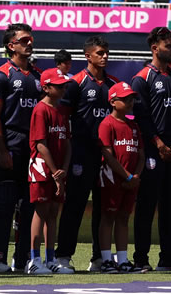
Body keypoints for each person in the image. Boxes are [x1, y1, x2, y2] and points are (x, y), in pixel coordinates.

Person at [56, 36, 119, 272]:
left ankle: (100, 258)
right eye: (100, 53)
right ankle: (63, 256)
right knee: (75, 206)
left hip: (107, 156)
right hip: (81, 154)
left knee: (105, 209)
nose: (104, 57)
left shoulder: (114, 84)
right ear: (88, 56)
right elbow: (62, 118)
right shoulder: (75, 83)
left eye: (106, 53)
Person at [130, 27, 171, 272]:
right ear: (155, 48)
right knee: (146, 205)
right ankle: (141, 259)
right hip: (153, 151)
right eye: (169, 46)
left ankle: (167, 258)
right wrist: (159, 143)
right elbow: (141, 117)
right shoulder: (142, 78)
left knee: (169, 206)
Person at [0, 23, 43, 273]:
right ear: (11, 45)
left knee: (30, 203)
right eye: (24, 40)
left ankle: (22, 260)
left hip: (34, 146)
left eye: (30, 39)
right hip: (11, 142)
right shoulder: (1, 75)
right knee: (4, 203)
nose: (29, 43)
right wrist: (3, 148)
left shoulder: (39, 76)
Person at [28, 67, 73, 275]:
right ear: (46, 87)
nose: (63, 89)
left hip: (58, 171)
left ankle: (50, 259)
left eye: (64, 85)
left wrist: (63, 169)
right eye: (59, 85)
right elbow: (40, 144)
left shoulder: (62, 110)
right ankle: (34, 260)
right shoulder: (40, 109)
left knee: (54, 213)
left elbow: (67, 143)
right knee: (41, 211)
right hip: (41, 169)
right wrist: (56, 171)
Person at [98, 82, 143, 273]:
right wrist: (127, 175)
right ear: (113, 101)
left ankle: (123, 259)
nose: (130, 102)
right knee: (108, 216)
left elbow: (141, 153)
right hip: (112, 178)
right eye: (125, 99)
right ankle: (107, 260)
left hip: (131, 180)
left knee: (124, 217)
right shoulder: (107, 123)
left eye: (131, 98)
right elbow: (107, 154)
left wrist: (136, 176)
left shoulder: (133, 125)